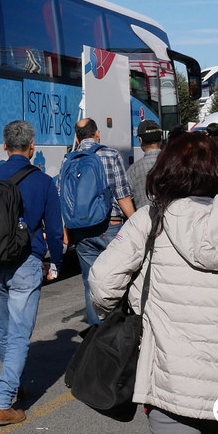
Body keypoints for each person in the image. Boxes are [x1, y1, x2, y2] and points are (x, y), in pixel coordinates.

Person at [89, 132, 218, 434]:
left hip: (169, 384)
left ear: (168, 169)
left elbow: (103, 283)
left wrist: (135, 311)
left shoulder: (150, 219)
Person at [0, 120, 63, 426]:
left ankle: (17, 381)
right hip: (26, 263)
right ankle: (1, 402)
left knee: (5, 329)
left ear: (5, 146)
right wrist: (56, 263)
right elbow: (53, 228)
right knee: (20, 334)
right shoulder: (44, 181)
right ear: (32, 147)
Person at [66, 118, 135, 326]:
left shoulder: (68, 160)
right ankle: (120, 330)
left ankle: (97, 335)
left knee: (90, 282)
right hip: (110, 225)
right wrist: (135, 223)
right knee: (119, 279)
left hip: (82, 231)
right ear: (97, 134)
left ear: (77, 138)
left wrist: (67, 230)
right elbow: (122, 195)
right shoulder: (110, 155)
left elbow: (66, 199)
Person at [127, 120, 163, 211]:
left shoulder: (133, 170)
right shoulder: (174, 164)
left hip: (144, 222)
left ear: (141, 140)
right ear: (161, 138)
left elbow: (124, 197)